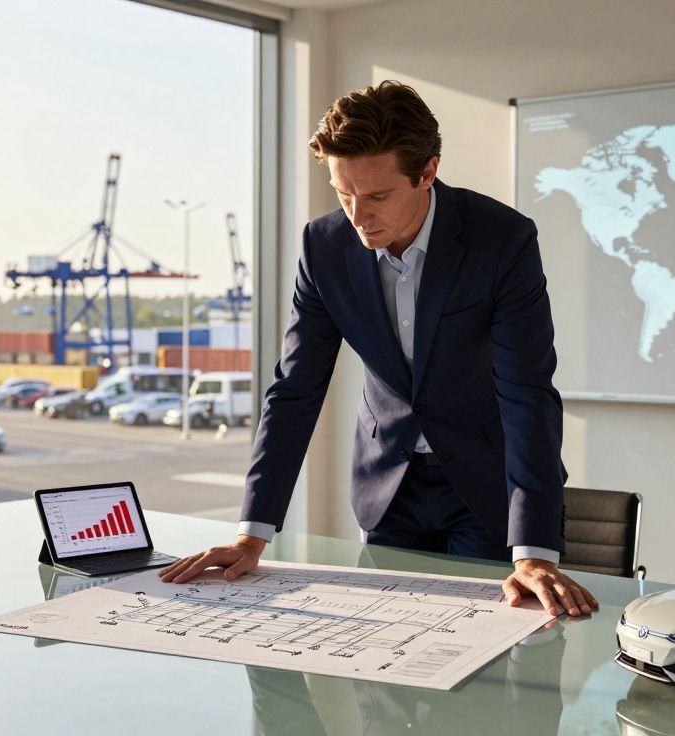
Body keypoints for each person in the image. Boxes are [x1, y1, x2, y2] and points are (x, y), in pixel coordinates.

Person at [162, 81, 596, 618]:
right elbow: (295, 389)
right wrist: (253, 534)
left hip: (488, 490)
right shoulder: (322, 248)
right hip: (388, 486)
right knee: (387, 668)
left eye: (377, 196)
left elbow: (527, 391)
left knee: (497, 662)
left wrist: (532, 549)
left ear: (427, 172)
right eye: (343, 194)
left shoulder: (501, 240)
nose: (356, 215)